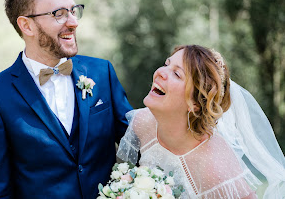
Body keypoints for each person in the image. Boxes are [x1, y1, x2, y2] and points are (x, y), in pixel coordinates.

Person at [0, 0, 132, 198]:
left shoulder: (101, 72)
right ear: (26, 25)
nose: (73, 22)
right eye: (59, 13)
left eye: (74, 11)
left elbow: (136, 143)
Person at [117, 45, 285, 198]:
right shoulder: (141, 122)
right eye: (167, 64)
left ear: (195, 104)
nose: (161, 71)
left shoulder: (214, 169)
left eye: (176, 73)